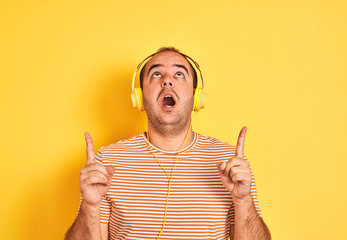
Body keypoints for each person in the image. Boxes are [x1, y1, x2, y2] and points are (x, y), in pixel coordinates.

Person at [65, 47, 271, 240]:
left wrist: (243, 202)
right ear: (140, 96)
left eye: (179, 74)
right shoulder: (107, 161)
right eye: (156, 74)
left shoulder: (228, 161)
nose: (167, 81)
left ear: (196, 95)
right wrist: (90, 207)